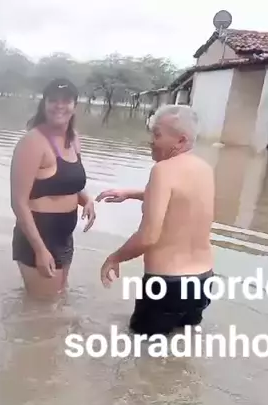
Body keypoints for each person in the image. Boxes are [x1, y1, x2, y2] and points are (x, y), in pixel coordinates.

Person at [97, 104, 215, 336]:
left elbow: (148, 236)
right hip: (203, 281)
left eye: (157, 135)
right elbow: (180, 200)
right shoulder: (204, 169)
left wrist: (114, 258)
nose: (151, 141)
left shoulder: (163, 170)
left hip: (167, 285)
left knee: (141, 349)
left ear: (180, 140)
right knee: (180, 342)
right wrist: (131, 194)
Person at [10, 78, 96, 299]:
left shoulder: (74, 139)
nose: (59, 106)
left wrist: (85, 199)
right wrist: (40, 249)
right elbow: (18, 202)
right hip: (39, 236)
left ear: (75, 105)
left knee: (57, 298)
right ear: (44, 104)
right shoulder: (33, 142)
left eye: (66, 100)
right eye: (53, 100)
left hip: (64, 237)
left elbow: (67, 181)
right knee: (44, 307)